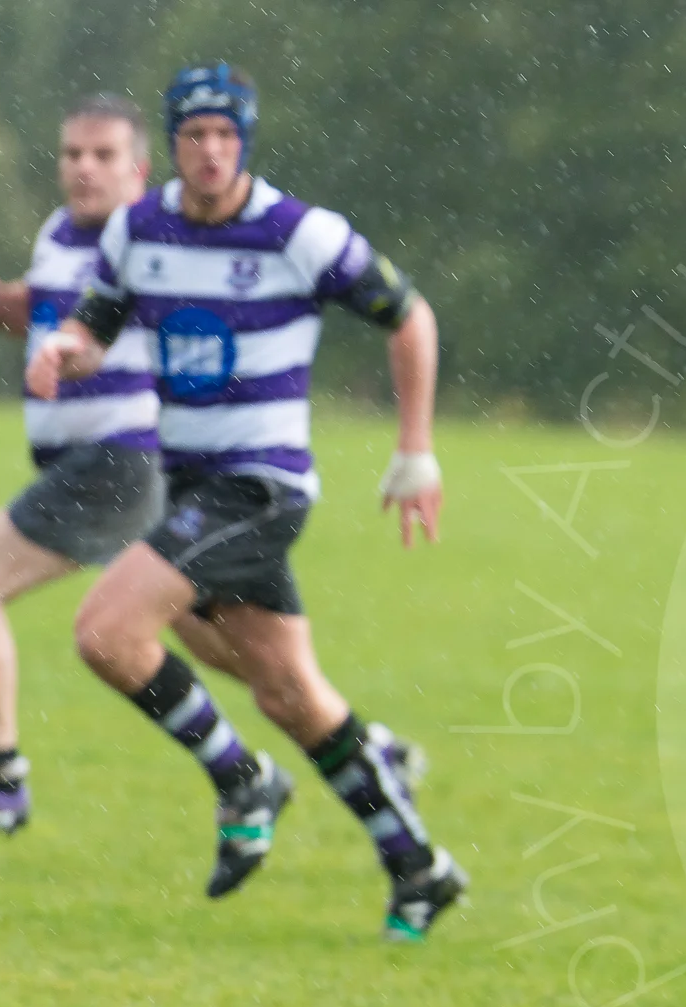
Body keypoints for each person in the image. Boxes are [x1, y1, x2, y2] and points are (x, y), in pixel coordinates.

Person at [26, 63, 463, 941]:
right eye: (196, 135)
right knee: (288, 690)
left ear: (246, 142)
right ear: (175, 144)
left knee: (106, 633)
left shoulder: (297, 233)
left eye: (228, 135)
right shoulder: (135, 231)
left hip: (261, 485)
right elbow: (97, 322)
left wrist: (414, 450)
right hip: (192, 485)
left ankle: (241, 781)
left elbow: (408, 316)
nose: (213, 150)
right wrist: (65, 349)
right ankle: (420, 865)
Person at [0, 94, 160, 837]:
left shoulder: (146, 243)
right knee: (219, 628)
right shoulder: (58, 232)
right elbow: (45, 309)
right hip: (93, 462)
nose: (83, 167)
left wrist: (73, 353)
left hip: (118, 455)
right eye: (73, 153)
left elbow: (104, 331)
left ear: (139, 170)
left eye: (103, 155)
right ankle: (353, 750)